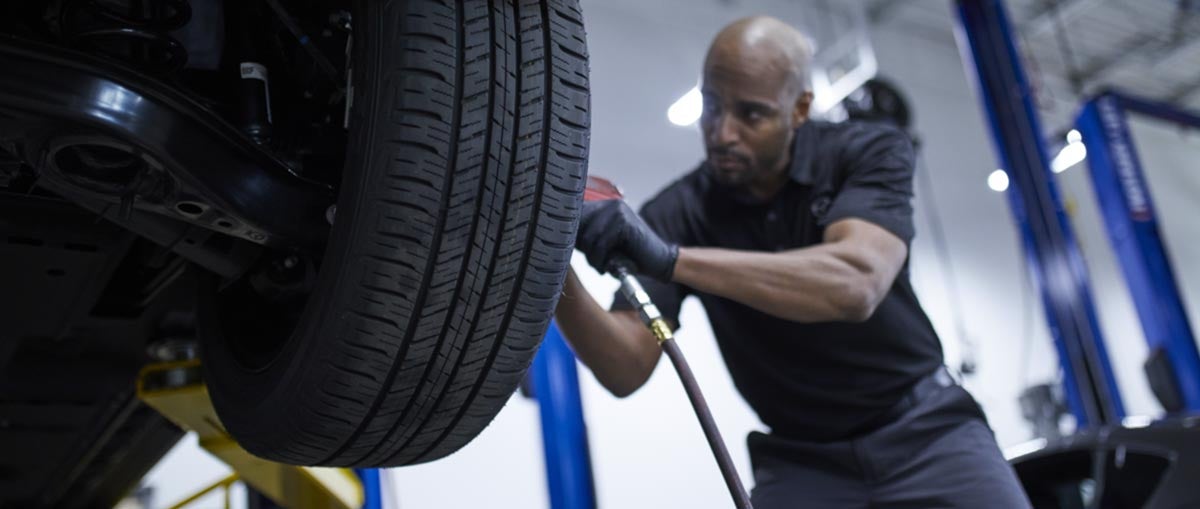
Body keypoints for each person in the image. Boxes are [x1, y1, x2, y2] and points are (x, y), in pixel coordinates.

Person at [554, 15, 1032, 508]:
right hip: (802, 463)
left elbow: (856, 283)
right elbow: (624, 368)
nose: (722, 133)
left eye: (751, 115)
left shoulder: (866, 152)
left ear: (799, 108)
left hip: (928, 434)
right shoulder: (676, 213)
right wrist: (543, 261)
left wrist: (672, 260)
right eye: (712, 106)